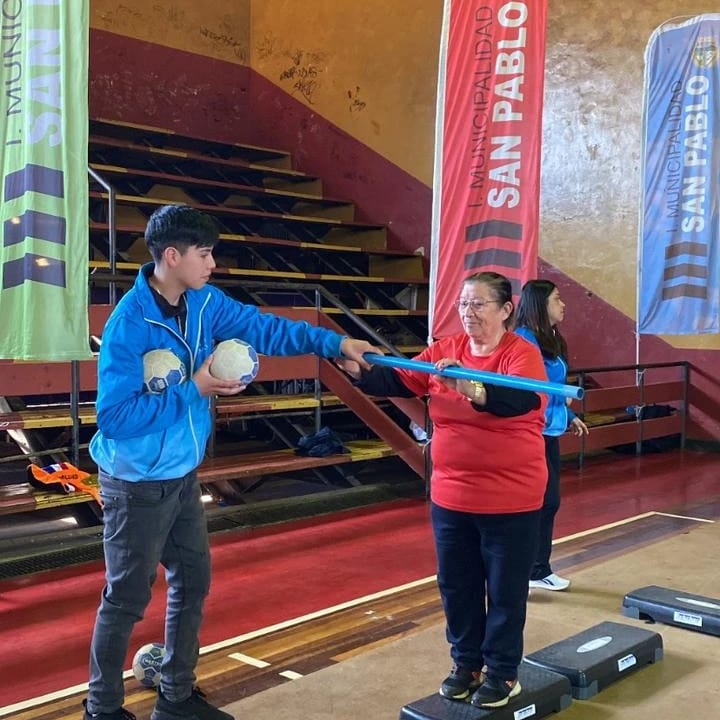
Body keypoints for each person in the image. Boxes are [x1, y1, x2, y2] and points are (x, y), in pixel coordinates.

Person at [83, 204, 377, 720]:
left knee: (192, 582)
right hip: (135, 486)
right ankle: (102, 709)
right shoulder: (128, 326)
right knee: (127, 600)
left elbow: (265, 329)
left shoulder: (205, 302)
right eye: (204, 254)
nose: (212, 264)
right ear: (171, 257)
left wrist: (335, 343)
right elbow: (115, 419)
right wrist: (193, 388)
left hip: (180, 476)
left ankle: (175, 698)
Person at [336, 271, 548, 709]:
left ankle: (503, 673)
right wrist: (359, 371)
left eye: (479, 305)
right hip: (452, 495)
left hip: (511, 497)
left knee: (505, 590)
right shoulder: (444, 351)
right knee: (457, 584)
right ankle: (466, 663)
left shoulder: (520, 354)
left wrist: (468, 386)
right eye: (463, 305)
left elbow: (520, 401)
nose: (468, 314)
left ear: (506, 310)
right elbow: (398, 381)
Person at [515, 280, 589, 592]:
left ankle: (536, 569)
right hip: (529, 432)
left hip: (550, 430)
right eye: (557, 299)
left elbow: (555, 385)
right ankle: (526, 571)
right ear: (539, 304)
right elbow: (534, 387)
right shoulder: (523, 340)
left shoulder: (553, 338)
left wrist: (569, 414)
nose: (563, 304)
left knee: (549, 502)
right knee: (539, 502)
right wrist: (564, 400)